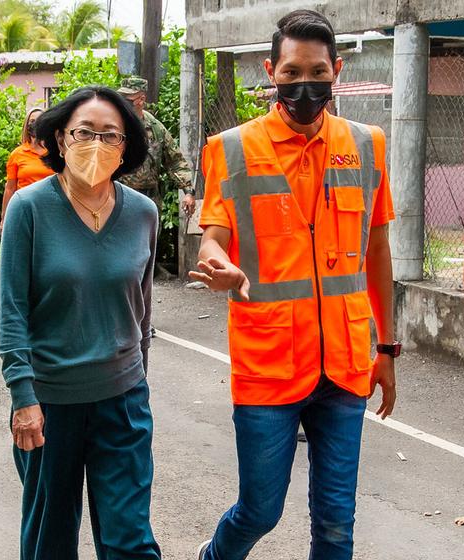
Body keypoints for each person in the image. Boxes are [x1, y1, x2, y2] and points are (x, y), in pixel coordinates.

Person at [189, 10, 399, 559]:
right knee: (261, 509)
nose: (303, 84)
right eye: (290, 72)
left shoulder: (368, 143)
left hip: (346, 364)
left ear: (336, 70)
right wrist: (219, 264)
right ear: (270, 72)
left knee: (336, 522)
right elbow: (212, 238)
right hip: (269, 364)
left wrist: (388, 348)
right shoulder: (230, 148)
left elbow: (376, 250)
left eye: (315, 71)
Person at [0, 85, 160, 560]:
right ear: (59, 138)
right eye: (84, 132)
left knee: (130, 539)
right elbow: (11, 310)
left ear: (126, 146)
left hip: (123, 402)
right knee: (50, 541)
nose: (96, 144)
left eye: (110, 135)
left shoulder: (143, 214)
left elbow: (142, 309)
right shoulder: (29, 209)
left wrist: (139, 382)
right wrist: (22, 397)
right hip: (49, 405)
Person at [116, 76, 196, 218]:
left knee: (149, 239)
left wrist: (189, 192)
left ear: (141, 100)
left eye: (127, 100)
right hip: (118, 197)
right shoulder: (113, 125)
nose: (122, 104)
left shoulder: (155, 129)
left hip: (149, 199)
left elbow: (175, 161)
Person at [1, 108, 50, 223]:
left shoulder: (55, 153)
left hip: (50, 209)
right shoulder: (17, 154)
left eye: (39, 121)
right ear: (26, 126)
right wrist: (4, 218)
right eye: (32, 121)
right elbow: (10, 188)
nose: (35, 124)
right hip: (24, 209)